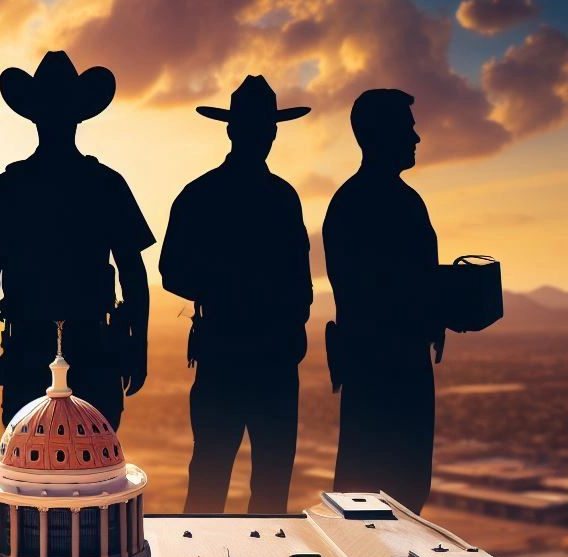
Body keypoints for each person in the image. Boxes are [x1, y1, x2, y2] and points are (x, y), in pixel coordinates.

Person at [0, 50, 153, 429]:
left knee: (29, 470)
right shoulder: (105, 184)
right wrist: (139, 345)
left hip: (35, 350)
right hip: (89, 348)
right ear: (80, 113)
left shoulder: (6, 189)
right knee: (93, 470)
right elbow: (133, 272)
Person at [160, 75, 312, 514]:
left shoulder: (203, 194)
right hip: (259, 356)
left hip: (236, 353)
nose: (265, 135)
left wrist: (222, 291)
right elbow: (172, 272)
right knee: (247, 479)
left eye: (268, 128)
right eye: (260, 127)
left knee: (219, 473)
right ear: (235, 130)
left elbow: (173, 272)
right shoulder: (280, 197)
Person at [324, 88, 441, 514]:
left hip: (390, 366)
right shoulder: (378, 203)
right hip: (386, 370)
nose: (416, 138)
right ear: (383, 134)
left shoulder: (373, 201)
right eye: (408, 128)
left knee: (399, 490)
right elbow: (378, 289)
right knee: (375, 490)